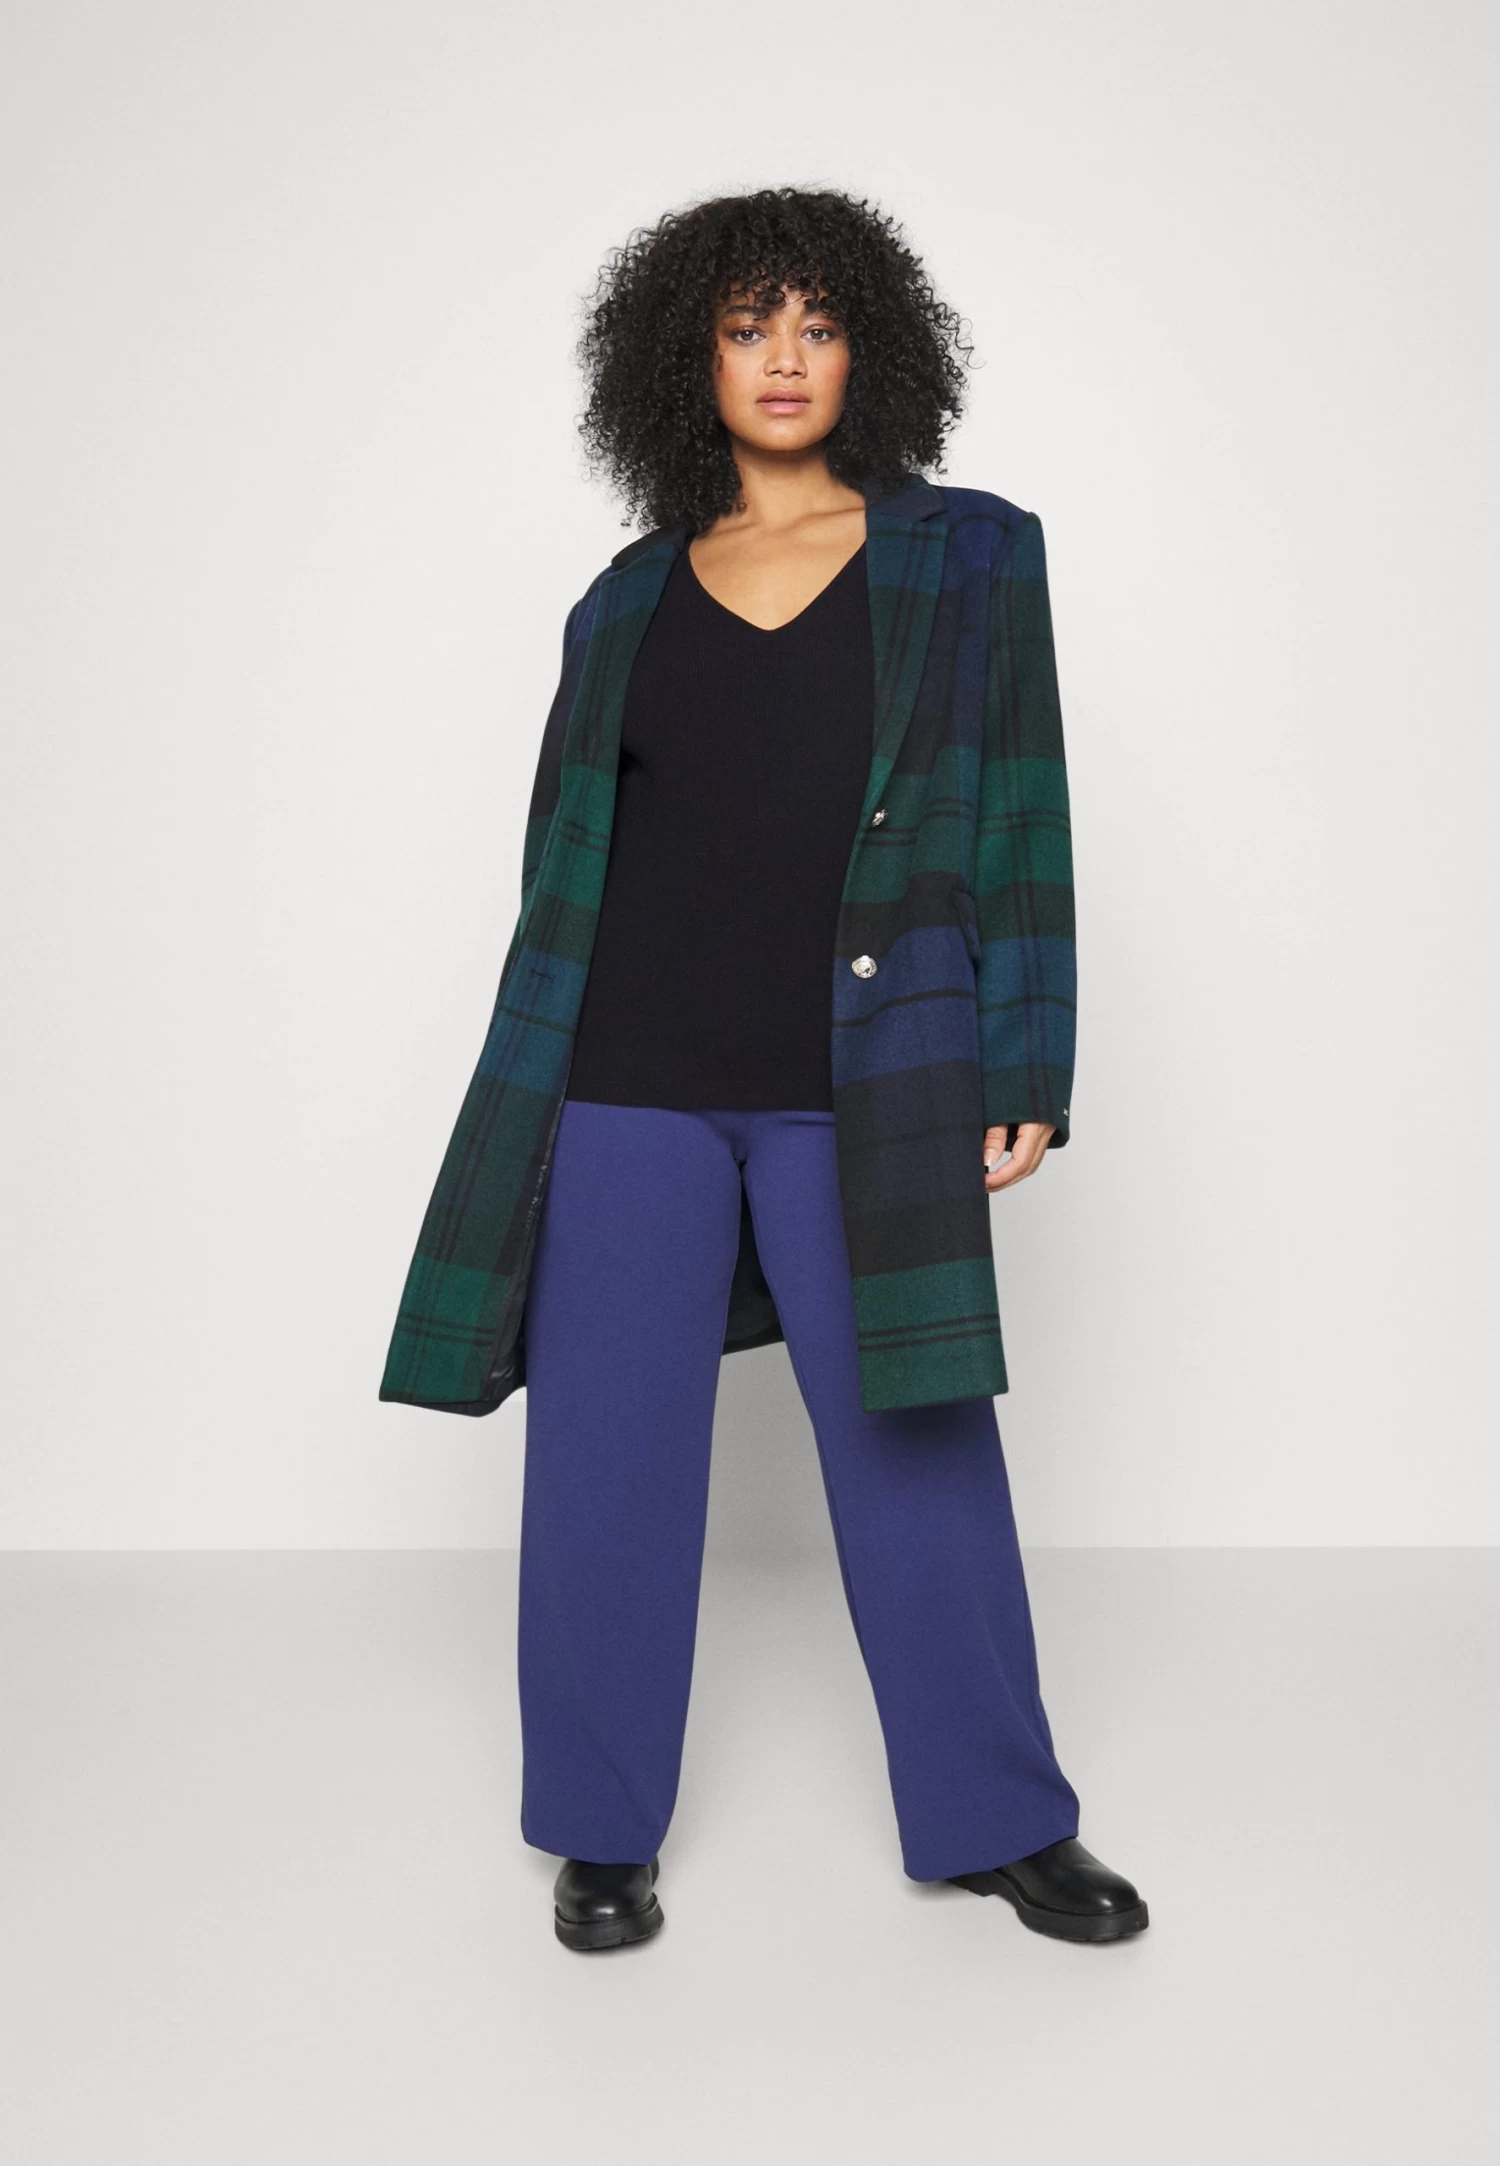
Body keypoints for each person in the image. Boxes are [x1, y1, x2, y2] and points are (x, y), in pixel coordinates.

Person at [378, 185, 1148, 1952]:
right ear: (689, 360)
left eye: (816, 323)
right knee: (605, 1460)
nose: (784, 358)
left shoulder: (970, 554)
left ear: (873, 347)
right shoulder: (623, 595)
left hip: (864, 1077)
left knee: (916, 1442)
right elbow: (564, 854)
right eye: (746, 328)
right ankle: (599, 1829)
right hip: (628, 1077)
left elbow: (1023, 815)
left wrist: (1027, 1053)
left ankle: (1002, 1818)